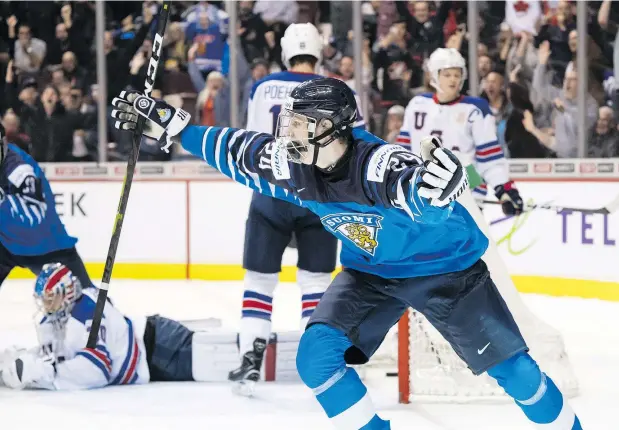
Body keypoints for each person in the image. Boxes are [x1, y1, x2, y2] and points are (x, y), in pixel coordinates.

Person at [109, 77, 582, 429]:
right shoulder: (292, 163)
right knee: (315, 356)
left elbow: (413, 190)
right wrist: (172, 126)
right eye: (289, 122)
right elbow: (233, 149)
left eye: (300, 124)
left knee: (516, 374)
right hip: (372, 273)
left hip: (445, 271)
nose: (288, 132)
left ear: (332, 128)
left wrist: (437, 193)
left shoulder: (376, 164)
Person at [228, 23, 364, 394]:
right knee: (316, 282)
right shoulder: (340, 90)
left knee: (259, 280)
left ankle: (250, 359)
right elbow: (358, 149)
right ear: (319, 51)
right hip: (320, 197)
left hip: (271, 192)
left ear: (285, 51)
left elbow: (253, 142)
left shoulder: (262, 87)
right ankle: (317, 359)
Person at [0, 263, 199, 390]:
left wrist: (46, 373)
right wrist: (26, 360)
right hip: (154, 352)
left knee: (217, 356)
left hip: (161, 349)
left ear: (67, 292)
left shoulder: (85, 313)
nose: (46, 306)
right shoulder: (54, 321)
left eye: (51, 299)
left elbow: (97, 369)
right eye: (44, 300)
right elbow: (57, 357)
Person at [397, 48, 524, 215]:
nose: (453, 80)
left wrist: (505, 189)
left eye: (457, 75)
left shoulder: (475, 109)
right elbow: (403, 152)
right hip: (422, 193)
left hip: (464, 191)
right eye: (447, 75)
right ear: (435, 75)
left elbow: (489, 158)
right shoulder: (417, 105)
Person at [0, 124, 94, 289]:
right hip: (5, 245)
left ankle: (110, 315)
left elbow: (34, 217)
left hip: (45, 246)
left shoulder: (19, 169)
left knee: (87, 302)